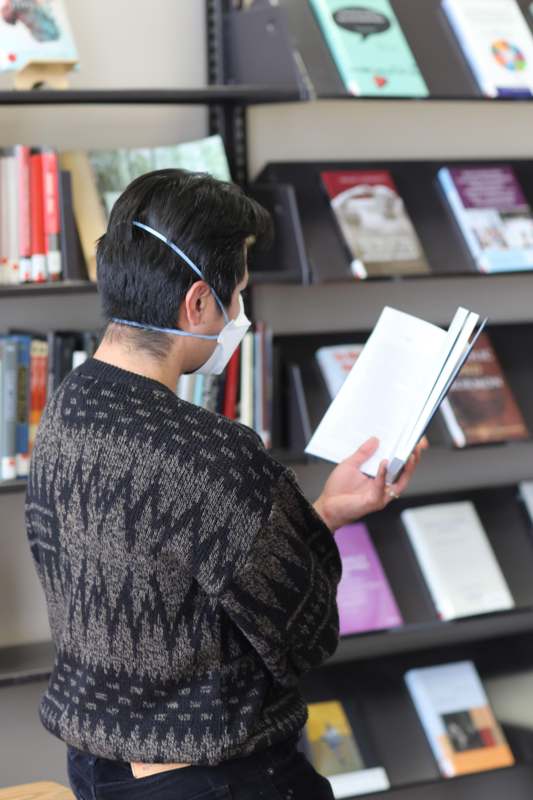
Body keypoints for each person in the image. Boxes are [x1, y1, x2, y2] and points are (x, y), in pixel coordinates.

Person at [25, 169, 425, 800]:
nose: (238, 314)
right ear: (196, 303)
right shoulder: (207, 453)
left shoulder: (67, 406)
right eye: (235, 295)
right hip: (212, 778)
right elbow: (307, 631)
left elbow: (174, 573)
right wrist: (310, 536)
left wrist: (325, 510)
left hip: (99, 769)